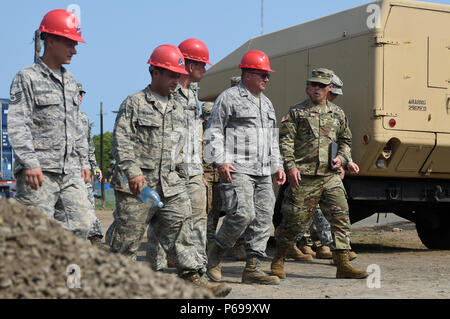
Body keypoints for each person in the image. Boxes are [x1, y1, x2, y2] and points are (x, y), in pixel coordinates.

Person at [108, 44, 231, 297]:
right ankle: (115, 287)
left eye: (179, 75)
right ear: (155, 72)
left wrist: (193, 174)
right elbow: (121, 140)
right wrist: (133, 172)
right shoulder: (135, 102)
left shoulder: (178, 107)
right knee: (126, 244)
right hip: (139, 187)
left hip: (170, 183)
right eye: (172, 75)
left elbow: (185, 144)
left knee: (183, 230)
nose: (177, 80)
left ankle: (194, 278)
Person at [271, 68, 368, 279]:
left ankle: (342, 264)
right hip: (303, 177)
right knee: (294, 220)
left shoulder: (338, 114)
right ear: (307, 87)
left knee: (340, 217)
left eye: (321, 86)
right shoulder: (296, 112)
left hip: (329, 177)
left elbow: (345, 142)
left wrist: (342, 160)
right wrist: (291, 167)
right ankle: (278, 259)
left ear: (329, 88)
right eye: (312, 85)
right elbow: (285, 142)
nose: (316, 89)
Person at [8, 9, 92, 239]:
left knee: (82, 226)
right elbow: (17, 123)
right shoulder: (27, 77)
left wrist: (84, 161)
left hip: (70, 171)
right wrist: (30, 162)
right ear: (51, 41)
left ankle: (69, 276)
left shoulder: (71, 81)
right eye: (70, 43)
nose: (75, 50)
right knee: (36, 237)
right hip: (39, 172)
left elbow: (76, 127)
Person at [205, 50, 286, 285]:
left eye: (267, 75)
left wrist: (277, 165)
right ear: (247, 74)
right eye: (262, 74)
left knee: (263, 217)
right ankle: (215, 255)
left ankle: (253, 268)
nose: (267, 79)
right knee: (242, 214)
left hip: (262, 171)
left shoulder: (267, 103)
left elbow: (272, 138)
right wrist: (220, 160)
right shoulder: (228, 97)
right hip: (237, 168)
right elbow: (214, 131)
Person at [146, 38, 211, 272]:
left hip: (192, 169)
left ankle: (198, 270)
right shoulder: (167, 93)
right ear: (190, 66)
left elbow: (196, 135)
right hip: (169, 170)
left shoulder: (193, 95)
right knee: (163, 222)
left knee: (198, 219)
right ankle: (157, 271)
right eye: (202, 65)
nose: (204, 70)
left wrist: (200, 168)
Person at [53, 83, 104, 246]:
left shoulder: (83, 118)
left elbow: (89, 146)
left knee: (89, 205)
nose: (80, 97)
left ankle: (95, 239)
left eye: (82, 94)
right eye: (77, 94)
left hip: (84, 171)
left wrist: (95, 167)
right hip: (65, 172)